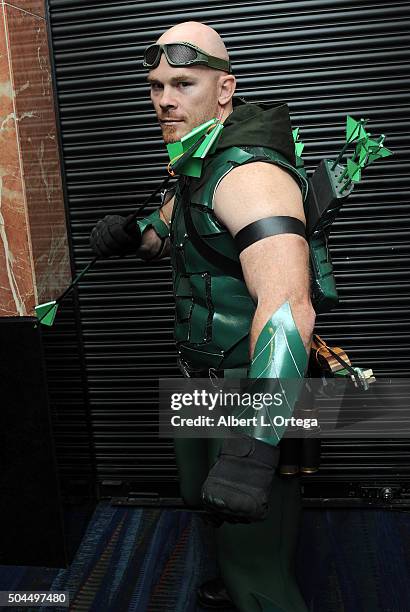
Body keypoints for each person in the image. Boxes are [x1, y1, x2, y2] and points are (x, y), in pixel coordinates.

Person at [90, 21, 314, 612]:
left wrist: (255, 445)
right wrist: (134, 238)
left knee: (252, 552)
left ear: (224, 90)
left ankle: (259, 589)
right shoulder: (192, 161)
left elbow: (288, 307)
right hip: (198, 378)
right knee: (200, 498)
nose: (165, 99)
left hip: (252, 390)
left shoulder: (251, 179)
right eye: (156, 85)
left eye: (183, 83)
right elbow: (176, 239)